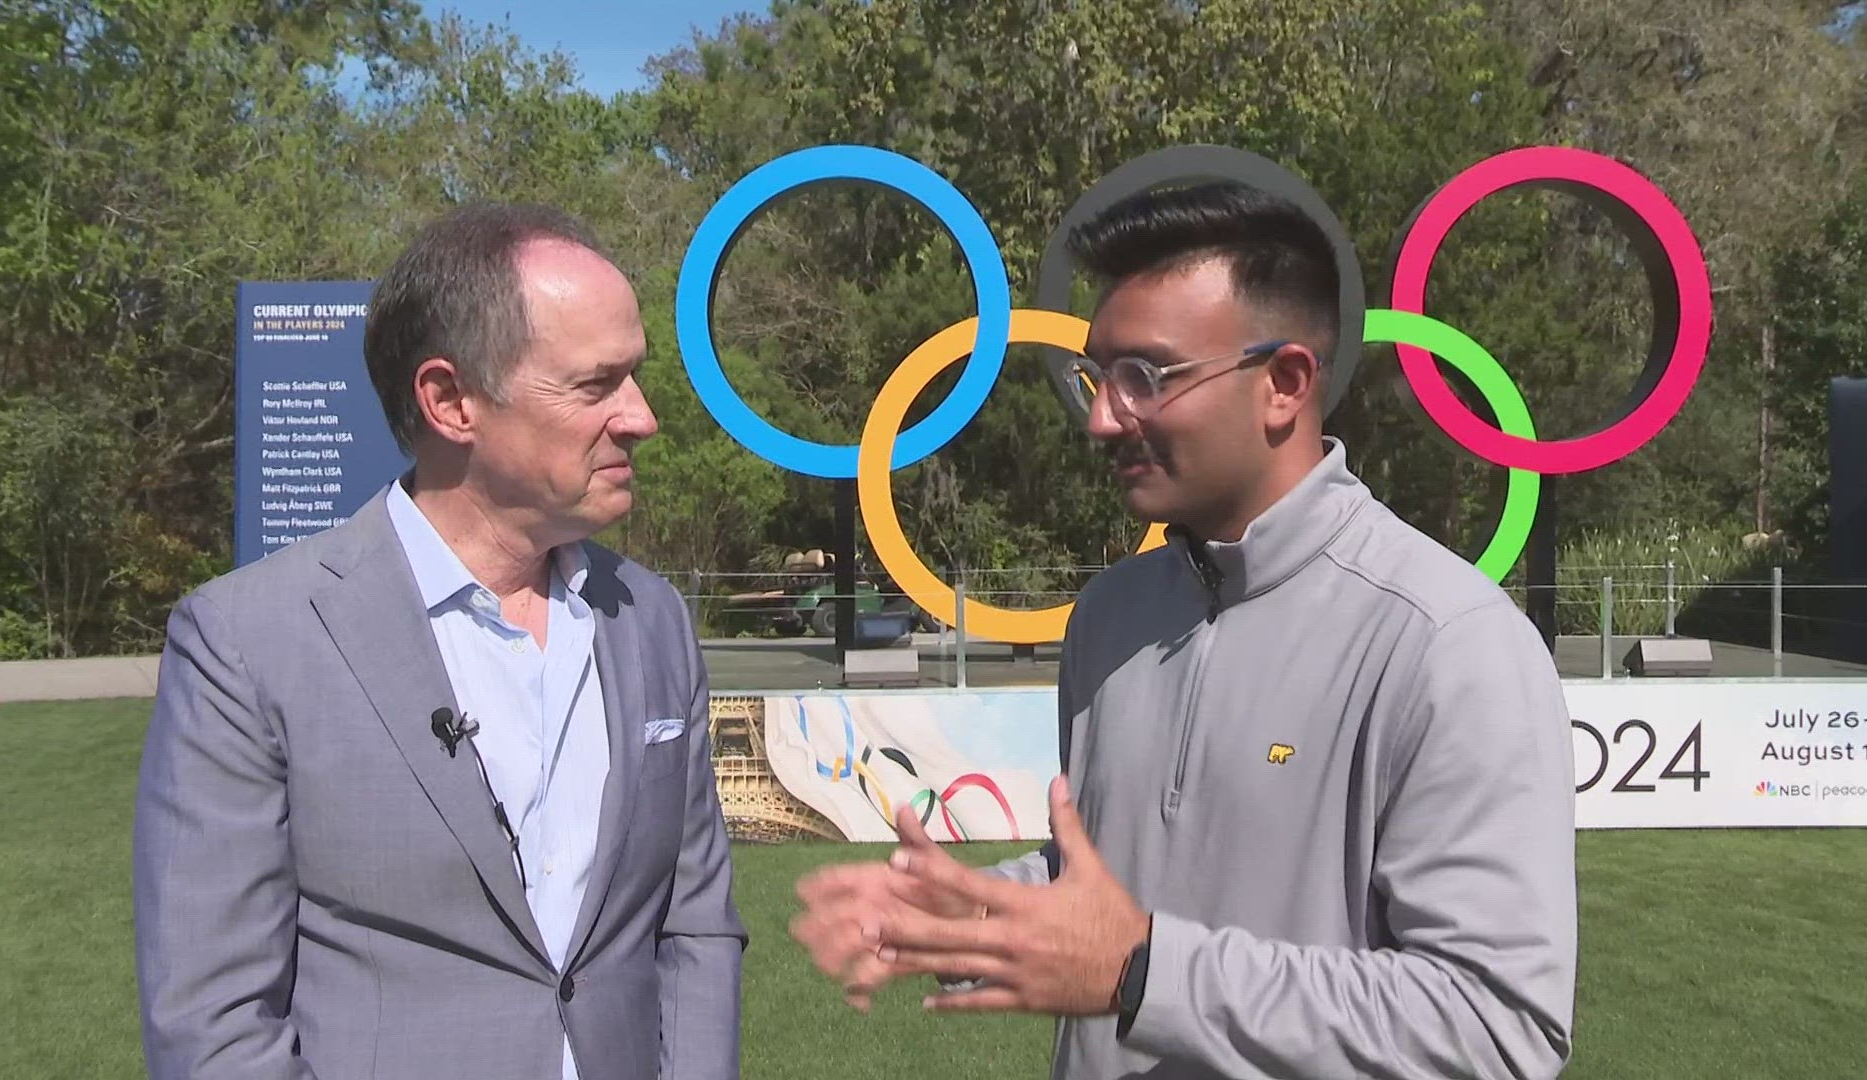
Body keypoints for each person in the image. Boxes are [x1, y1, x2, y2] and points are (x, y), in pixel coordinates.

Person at [790, 179, 1578, 1079]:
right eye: (1097, 377)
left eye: (1144, 378)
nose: (1099, 417)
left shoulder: (1447, 643)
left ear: (1284, 384)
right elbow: (1116, 876)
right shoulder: (1112, 616)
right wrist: (958, 908)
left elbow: (1496, 1027)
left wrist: (1145, 973)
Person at [133, 203, 746, 1080]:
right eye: (595, 384)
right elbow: (212, 1023)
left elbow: (695, 923)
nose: (640, 416)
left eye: (634, 377)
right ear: (451, 401)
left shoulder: (652, 621)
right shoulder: (247, 643)